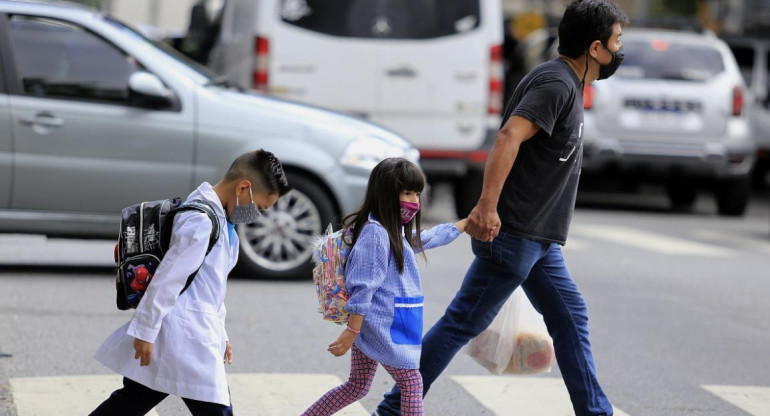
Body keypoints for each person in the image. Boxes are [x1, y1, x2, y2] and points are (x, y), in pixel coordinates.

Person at [374, 1, 628, 415]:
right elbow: (509, 135)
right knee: (461, 323)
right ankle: (393, 408)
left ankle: (595, 411)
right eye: (617, 42)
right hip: (513, 235)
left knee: (570, 317)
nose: (620, 50)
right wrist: (486, 208)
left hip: (539, 240)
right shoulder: (557, 85)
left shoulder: (566, 81)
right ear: (595, 48)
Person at [90, 149, 291, 416]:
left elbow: (211, 288)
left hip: (189, 332)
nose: (257, 215)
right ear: (244, 188)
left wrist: (221, 333)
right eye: (260, 207)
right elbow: (168, 278)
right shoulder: (200, 220)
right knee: (215, 410)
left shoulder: (219, 218)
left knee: (130, 402)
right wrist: (145, 330)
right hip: (182, 332)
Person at [301, 158, 468, 416]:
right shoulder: (376, 234)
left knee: (356, 386)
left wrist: (461, 226)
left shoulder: (392, 230)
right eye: (407, 193)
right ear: (387, 194)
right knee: (412, 383)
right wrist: (351, 331)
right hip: (382, 325)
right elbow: (364, 286)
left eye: (417, 194)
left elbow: (424, 239)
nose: (414, 201)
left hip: (380, 322)